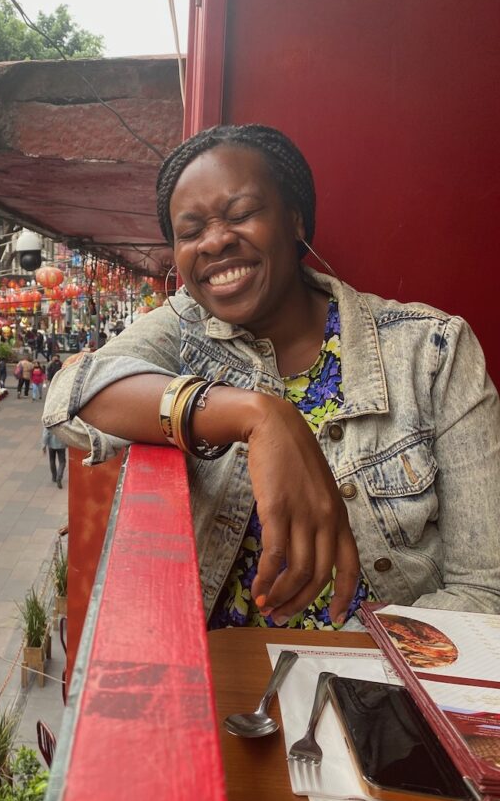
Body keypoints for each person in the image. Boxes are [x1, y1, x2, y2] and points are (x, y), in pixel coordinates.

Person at [44, 123, 500, 628]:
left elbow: (484, 592)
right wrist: (258, 415)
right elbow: (71, 394)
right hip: (228, 682)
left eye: (241, 214)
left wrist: (348, 664)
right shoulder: (184, 328)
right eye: (191, 232)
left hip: (381, 685)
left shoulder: (432, 351)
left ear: (296, 221)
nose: (215, 241)